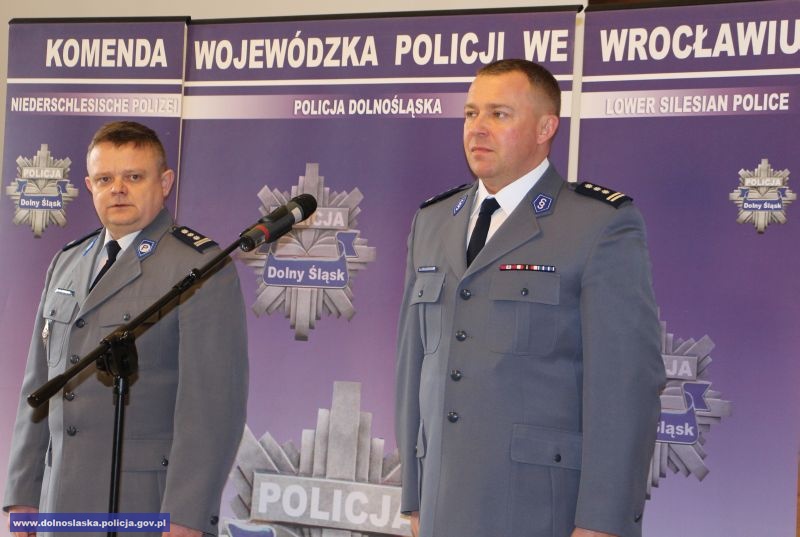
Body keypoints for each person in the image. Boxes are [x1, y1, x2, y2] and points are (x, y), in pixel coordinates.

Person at [395, 59, 666, 537]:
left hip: (540, 509)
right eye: (471, 113)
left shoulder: (597, 225)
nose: (478, 128)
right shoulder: (433, 221)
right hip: (441, 505)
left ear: (545, 128)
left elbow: (625, 387)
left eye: (499, 114)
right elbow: (412, 367)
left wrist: (603, 522)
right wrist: (414, 495)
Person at [3, 121, 249, 537]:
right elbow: (39, 385)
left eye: (133, 177)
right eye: (105, 179)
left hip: (144, 506)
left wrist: (186, 516)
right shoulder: (67, 261)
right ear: (89, 186)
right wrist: (23, 491)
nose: (118, 189)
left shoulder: (200, 267)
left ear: (165, 182)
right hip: (58, 501)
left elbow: (212, 409)